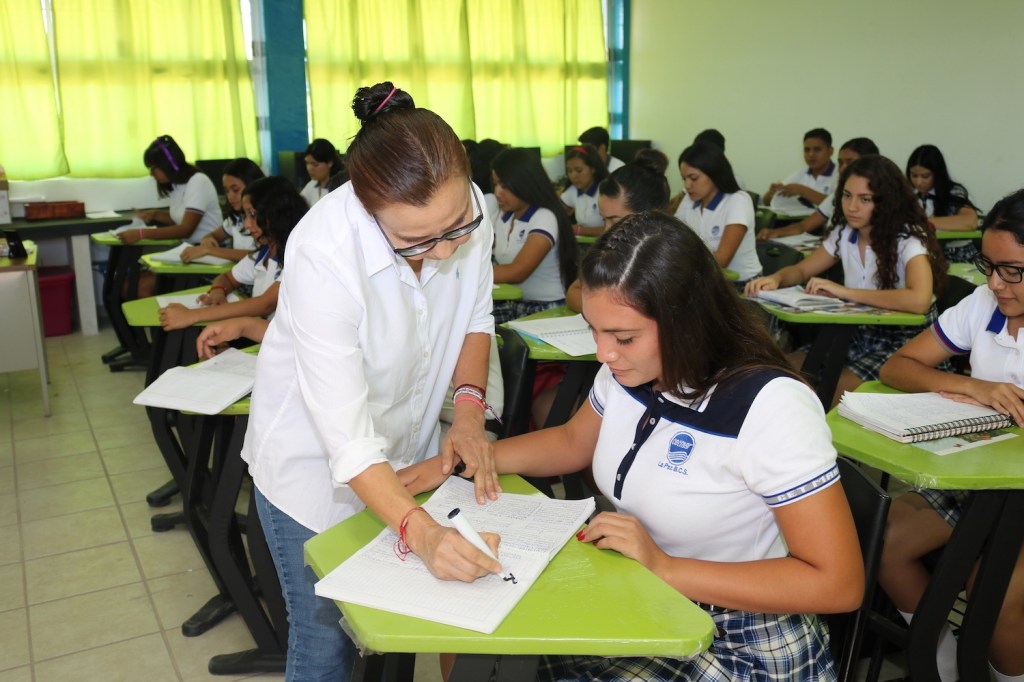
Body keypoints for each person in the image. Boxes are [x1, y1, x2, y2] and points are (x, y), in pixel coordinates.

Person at [400, 212, 863, 680]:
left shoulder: (771, 406)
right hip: (646, 592)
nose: (603, 353)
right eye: (594, 330)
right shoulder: (631, 368)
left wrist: (665, 567)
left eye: (623, 337)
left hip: (739, 634)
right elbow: (571, 441)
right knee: (467, 644)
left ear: (688, 322)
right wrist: (471, 458)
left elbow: (837, 583)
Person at [240, 82, 501, 681]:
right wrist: (422, 532)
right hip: (311, 468)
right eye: (416, 242)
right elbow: (348, 442)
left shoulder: (467, 212)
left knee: (396, 624)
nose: (444, 250)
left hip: (400, 454)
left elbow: (476, 317)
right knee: (324, 639)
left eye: (456, 228)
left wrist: (467, 415)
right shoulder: (325, 250)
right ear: (367, 210)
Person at [877, 188, 1024, 682]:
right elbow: (899, 366)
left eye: (1014, 271)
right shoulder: (984, 303)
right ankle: (941, 668)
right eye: (989, 265)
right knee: (884, 539)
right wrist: (973, 386)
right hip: (983, 481)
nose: (997, 283)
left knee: (993, 592)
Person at [746, 155, 948, 406]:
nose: (852, 207)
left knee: (839, 390)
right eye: (846, 195)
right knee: (786, 370)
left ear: (886, 202)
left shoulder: (908, 237)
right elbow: (801, 270)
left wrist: (845, 292)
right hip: (855, 331)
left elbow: (918, 300)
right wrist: (776, 278)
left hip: (905, 341)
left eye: (865, 199)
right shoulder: (845, 233)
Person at [158, 176, 307, 331]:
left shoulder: (296, 255)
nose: (247, 224)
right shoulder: (264, 253)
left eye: (253, 215)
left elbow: (265, 304)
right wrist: (218, 291)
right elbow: (227, 278)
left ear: (278, 213)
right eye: (245, 215)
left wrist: (193, 315)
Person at [565, 155, 671, 311]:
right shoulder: (608, 248)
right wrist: (606, 315)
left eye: (616, 221)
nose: (607, 231)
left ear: (649, 215)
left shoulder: (671, 256)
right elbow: (574, 292)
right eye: (603, 220)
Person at [491, 147, 578, 323]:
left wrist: (469, 275)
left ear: (524, 183)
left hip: (545, 309)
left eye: (504, 186)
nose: (497, 192)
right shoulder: (503, 217)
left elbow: (518, 272)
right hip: (515, 304)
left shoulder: (544, 217)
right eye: (495, 184)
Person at [758, 138, 879, 241]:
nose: (843, 168)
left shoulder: (880, 198)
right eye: (840, 163)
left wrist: (803, 191)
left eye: (850, 162)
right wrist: (774, 232)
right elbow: (803, 226)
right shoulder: (837, 195)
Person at [675, 141, 762, 284]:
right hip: (706, 281)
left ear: (714, 174)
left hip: (743, 285)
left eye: (694, 178)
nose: (687, 185)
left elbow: (722, 260)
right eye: (684, 179)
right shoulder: (689, 201)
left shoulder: (737, 201)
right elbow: (674, 242)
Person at [121, 134, 223, 246]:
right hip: (192, 247)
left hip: (211, 247)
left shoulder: (198, 181)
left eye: (153, 168)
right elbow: (182, 219)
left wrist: (141, 233)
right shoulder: (176, 185)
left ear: (167, 165)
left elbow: (186, 230)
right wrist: (155, 214)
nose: (151, 174)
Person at [906, 144, 981, 263]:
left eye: (925, 176)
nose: (918, 182)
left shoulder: (954, 192)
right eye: (914, 175)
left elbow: (970, 221)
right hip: (923, 254)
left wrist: (921, 222)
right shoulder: (908, 194)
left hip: (957, 255)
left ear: (937, 173)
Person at [181, 158, 265, 264]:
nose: (230, 196)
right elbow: (213, 235)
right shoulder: (237, 218)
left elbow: (262, 254)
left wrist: (210, 250)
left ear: (252, 185)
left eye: (235, 190)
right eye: (226, 191)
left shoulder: (267, 216)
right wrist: (207, 240)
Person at [762, 128, 836, 212]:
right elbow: (766, 202)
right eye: (807, 150)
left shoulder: (839, 173)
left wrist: (803, 191)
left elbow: (838, 205)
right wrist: (771, 192)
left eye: (817, 149)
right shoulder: (800, 174)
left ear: (830, 151)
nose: (811, 154)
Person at [560, 144, 608, 236]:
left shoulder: (605, 192)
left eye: (579, 170)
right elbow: (557, 214)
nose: (573, 176)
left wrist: (580, 230)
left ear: (593, 169)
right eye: (569, 171)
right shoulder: (573, 191)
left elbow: (614, 229)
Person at [300, 138, 344, 207]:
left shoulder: (339, 187)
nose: (309, 168)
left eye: (315, 164)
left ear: (330, 162)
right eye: (307, 163)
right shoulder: (312, 185)